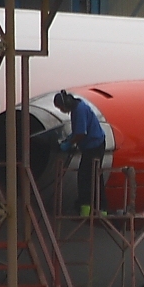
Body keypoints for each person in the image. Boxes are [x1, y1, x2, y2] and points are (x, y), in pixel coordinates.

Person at [55, 89, 107, 217]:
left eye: (61, 108)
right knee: (94, 176)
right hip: (92, 145)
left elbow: (81, 133)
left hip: (94, 146)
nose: (62, 110)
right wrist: (70, 138)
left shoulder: (79, 110)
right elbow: (78, 130)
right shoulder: (77, 108)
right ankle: (100, 208)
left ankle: (85, 207)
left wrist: (69, 144)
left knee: (85, 177)